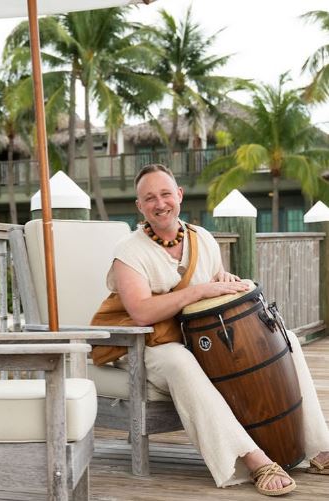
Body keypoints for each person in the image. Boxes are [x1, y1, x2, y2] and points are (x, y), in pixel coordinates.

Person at [99, 164, 329, 496]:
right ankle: (255, 460)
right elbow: (141, 312)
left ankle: (317, 446)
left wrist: (225, 281)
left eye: (165, 194)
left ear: (178, 195)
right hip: (150, 345)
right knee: (181, 362)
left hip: (199, 338)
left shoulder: (202, 238)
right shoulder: (129, 252)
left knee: (286, 339)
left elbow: (216, 280)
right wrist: (199, 291)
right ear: (140, 206)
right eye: (149, 198)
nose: (159, 203)